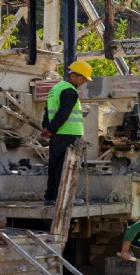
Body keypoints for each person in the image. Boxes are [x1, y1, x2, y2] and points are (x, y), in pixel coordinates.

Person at [42, 60, 93, 206]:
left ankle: (50, 197)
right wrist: (51, 129)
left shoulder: (56, 89)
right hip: (68, 134)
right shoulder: (70, 91)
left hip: (57, 134)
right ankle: (64, 198)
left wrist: (47, 128)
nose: (83, 81)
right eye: (82, 77)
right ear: (73, 75)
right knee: (67, 167)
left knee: (55, 165)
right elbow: (63, 113)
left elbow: (48, 112)